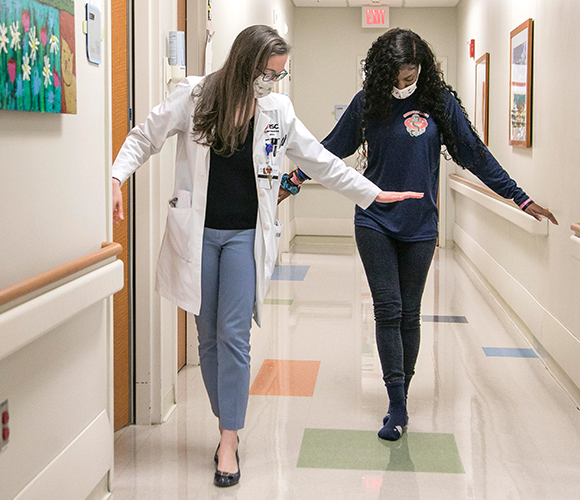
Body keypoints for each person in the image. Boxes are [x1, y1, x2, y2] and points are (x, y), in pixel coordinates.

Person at [109, 25, 421, 488]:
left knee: (234, 336)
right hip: (198, 235)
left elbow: (320, 161)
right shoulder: (195, 96)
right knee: (207, 337)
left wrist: (372, 194)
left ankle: (229, 439)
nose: (270, 83)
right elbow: (144, 135)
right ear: (244, 63)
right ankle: (226, 419)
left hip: (244, 236)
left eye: (277, 74)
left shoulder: (277, 110)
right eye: (266, 73)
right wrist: (117, 176)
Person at [281, 28, 557, 442]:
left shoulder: (439, 104)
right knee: (387, 310)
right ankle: (396, 405)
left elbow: (474, 154)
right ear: (381, 72)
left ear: (421, 70)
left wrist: (519, 197)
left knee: (410, 313)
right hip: (374, 219)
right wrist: (294, 178)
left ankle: (402, 394)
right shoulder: (368, 102)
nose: (402, 85)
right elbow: (331, 148)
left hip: (421, 225)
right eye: (396, 78)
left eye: (410, 77)